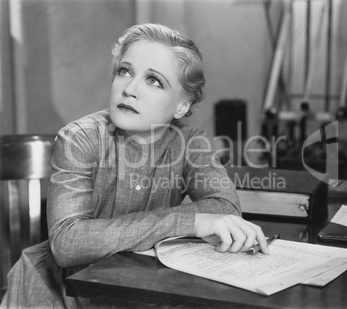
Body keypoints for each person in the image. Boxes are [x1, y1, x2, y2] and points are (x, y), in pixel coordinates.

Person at [1, 23, 268, 308]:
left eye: (154, 80)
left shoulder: (191, 144)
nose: (129, 89)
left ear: (181, 106)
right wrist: (190, 220)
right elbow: (67, 243)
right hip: (57, 296)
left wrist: (198, 219)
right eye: (124, 71)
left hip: (138, 292)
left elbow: (225, 208)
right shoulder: (79, 139)